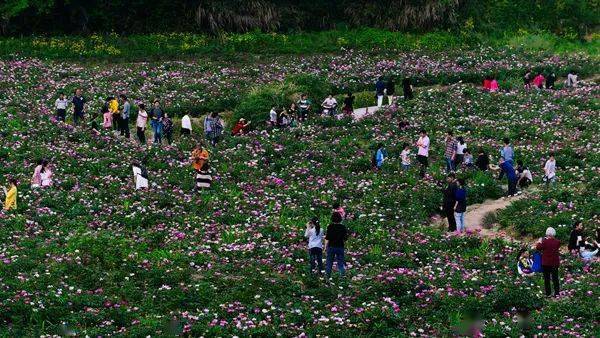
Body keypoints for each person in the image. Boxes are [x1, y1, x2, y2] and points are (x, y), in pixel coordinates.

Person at [535, 227, 561, 297]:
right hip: (555, 263)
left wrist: (539, 241)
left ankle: (548, 293)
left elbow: (538, 247)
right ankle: (557, 293)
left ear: (547, 234)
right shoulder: (557, 242)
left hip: (546, 263)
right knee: (555, 278)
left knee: (547, 279)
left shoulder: (545, 242)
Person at [325, 212, 348, 278]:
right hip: (340, 246)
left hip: (331, 246)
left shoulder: (330, 226)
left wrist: (325, 247)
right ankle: (342, 277)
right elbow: (345, 238)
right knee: (340, 263)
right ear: (340, 219)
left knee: (329, 263)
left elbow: (327, 238)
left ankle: (327, 278)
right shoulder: (343, 227)